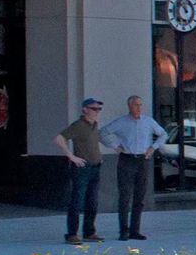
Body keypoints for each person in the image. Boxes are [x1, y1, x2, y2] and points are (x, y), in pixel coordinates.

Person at [100, 95, 167, 241]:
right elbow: (103, 133)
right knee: (125, 196)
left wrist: (153, 148)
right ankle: (123, 230)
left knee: (140, 196)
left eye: (140, 105)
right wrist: (115, 147)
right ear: (130, 106)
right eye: (136, 105)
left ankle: (135, 230)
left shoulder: (148, 122)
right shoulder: (122, 122)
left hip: (143, 159)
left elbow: (163, 134)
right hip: (127, 159)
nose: (139, 108)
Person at [52, 98, 105, 244]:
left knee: (92, 201)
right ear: (85, 110)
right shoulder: (78, 125)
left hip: (95, 167)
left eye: (99, 109)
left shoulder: (94, 125)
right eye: (94, 109)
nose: (97, 112)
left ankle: (89, 232)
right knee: (77, 200)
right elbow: (59, 139)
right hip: (82, 168)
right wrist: (71, 156)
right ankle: (72, 234)